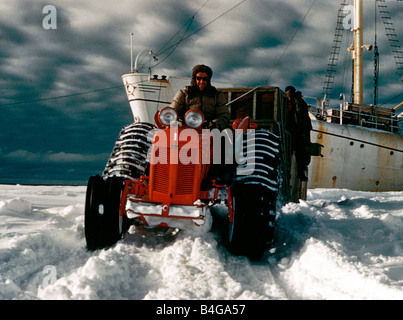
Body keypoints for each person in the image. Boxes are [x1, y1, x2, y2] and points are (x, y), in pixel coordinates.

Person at [170, 64, 230, 131]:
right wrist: (181, 122)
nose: (202, 81)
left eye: (205, 79)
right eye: (199, 78)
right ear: (194, 79)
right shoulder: (184, 94)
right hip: (187, 130)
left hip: (209, 131)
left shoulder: (217, 95)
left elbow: (224, 115)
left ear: (209, 79)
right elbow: (172, 112)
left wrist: (215, 124)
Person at [285, 86, 312, 181]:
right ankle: (299, 173)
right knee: (299, 152)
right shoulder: (296, 101)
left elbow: (299, 115)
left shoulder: (295, 101)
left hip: (297, 130)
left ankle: (298, 173)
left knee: (297, 151)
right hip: (298, 130)